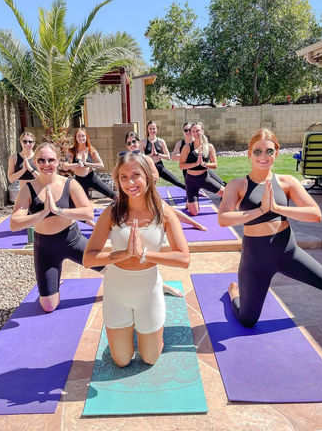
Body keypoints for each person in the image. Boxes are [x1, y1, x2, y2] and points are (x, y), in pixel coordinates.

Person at [218, 128, 322, 327]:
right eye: (257, 151)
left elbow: (315, 214)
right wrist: (261, 211)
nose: (263, 156)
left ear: (276, 151)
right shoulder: (237, 185)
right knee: (248, 320)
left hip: (288, 253)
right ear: (250, 154)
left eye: (268, 151)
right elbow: (223, 219)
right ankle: (234, 292)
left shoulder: (287, 182)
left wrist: (276, 208)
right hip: (255, 261)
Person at [83, 152, 190, 367]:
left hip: (148, 289)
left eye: (135, 175)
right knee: (121, 360)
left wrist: (143, 254)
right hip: (117, 290)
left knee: (150, 358)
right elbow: (88, 259)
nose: (130, 182)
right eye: (123, 177)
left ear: (148, 177)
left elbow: (183, 258)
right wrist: (122, 255)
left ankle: (150, 334)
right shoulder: (112, 213)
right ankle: (122, 337)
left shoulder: (163, 212)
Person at [10, 142, 98, 313]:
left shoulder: (69, 184)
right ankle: (53, 279)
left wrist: (59, 211)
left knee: (112, 269)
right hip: (45, 248)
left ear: (58, 161)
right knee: (49, 306)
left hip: (72, 241)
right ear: (35, 162)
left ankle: (151, 283)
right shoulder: (28, 189)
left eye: (51, 160)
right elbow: (14, 224)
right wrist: (42, 213)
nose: (46, 164)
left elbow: (88, 213)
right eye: (41, 160)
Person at [125, 131, 207, 232]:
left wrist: (141, 181)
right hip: (132, 194)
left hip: (147, 193)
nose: (132, 145)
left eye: (134, 142)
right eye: (129, 143)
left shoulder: (146, 159)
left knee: (168, 210)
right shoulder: (125, 161)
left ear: (139, 142)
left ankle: (194, 223)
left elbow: (155, 176)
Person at [180, 122, 225, 216]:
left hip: (205, 178)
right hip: (191, 181)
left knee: (226, 193)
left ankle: (224, 211)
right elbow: (181, 166)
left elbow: (215, 165)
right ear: (191, 133)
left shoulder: (209, 147)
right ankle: (190, 201)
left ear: (203, 131)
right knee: (194, 213)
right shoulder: (187, 147)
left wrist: (205, 164)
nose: (196, 133)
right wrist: (196, 163)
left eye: (198, 131)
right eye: (193, 131)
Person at [62, 127, 116, 200]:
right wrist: (76, 165)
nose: (81, 138)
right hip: (79, 180)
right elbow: (64, 166)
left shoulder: (91, 150)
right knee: (80, 203)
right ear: (75, 138)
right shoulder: (71, 151)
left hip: (91, 178)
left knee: (113, 195)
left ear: (86, 137)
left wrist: (87, 163)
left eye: (83, 136)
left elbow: (101, 165)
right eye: (78, 136)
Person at [140, 120, 185, 190]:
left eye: (154, 128)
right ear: (147, 130)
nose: (152, 130)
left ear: (157, 129)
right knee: (150, 188)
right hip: (150, 168)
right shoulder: (143, 142)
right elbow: (140, 158)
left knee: (177, 182)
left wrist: (158, 154)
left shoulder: (161, 141)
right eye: (150, 128)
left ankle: (192, 192)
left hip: (159, 166)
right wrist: (150, 154)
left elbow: (168, 157)